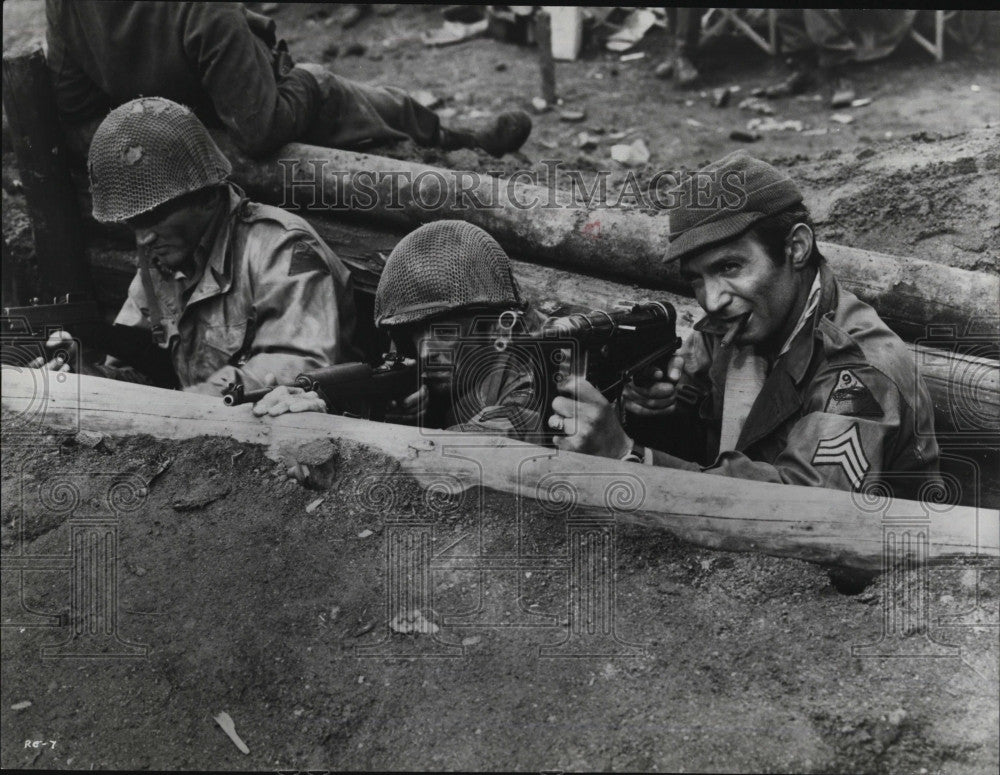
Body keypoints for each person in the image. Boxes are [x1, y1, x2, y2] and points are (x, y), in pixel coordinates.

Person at [549, 151, 940, 497]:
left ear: (796, 248)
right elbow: (714, 449)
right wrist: (660, 413)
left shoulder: (858, 372)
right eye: (696, 278)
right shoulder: (734, 327)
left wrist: (629, 456)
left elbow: (807, 514)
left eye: (729, 266)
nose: (712, 299)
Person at [33, 96, 359, 395]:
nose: (143, 238)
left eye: (155, 215)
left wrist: (192, 401)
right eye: (133, 223)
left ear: (204, 197)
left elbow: (299, 367)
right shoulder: (159, 264)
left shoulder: (280, 248)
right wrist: (87, 375)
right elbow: (141, 377)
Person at [45, 0, 531, 160]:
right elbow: (261, 131)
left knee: (379, 98)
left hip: (179, 126)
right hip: (256, 117)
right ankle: (450, 138)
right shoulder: (204, 9)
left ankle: (456, 133)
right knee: (370, 103)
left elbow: (70, 103)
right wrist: (312, 83)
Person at [254, 220, 545, 440]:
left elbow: (463, 455)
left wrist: (344, 430)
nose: (426, 351)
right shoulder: (425, 368)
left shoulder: (534, 375)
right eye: (413, 335)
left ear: (496, 329)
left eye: (444, 334)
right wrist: (325, 406)